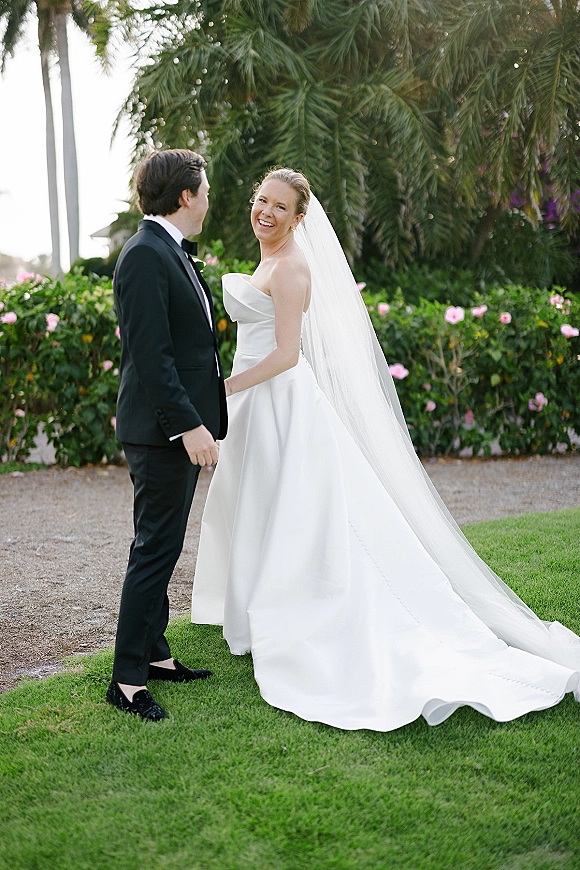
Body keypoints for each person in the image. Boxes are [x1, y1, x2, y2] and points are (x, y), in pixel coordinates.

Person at [191, 167, 580, 732]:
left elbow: (286, 354)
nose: (265, 212)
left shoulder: (294, 265)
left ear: (301, 218)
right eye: (260, 201)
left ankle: (302, 612)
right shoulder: (269, 256)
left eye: (279, 206)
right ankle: (256, 612)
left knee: (299, 512)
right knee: (263, 504)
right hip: (260, 404)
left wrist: (222, 389)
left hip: (279, 402)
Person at [107, 149, 227, 721]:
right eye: (204, 190)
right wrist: (190, 427)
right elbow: (152, 360)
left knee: (164, 543)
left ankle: (154, 655)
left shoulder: (165, 251)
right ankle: (127, 678)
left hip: (168, 430)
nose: (209, 199)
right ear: (185, 196)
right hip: (161, 433)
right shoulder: (145, 256)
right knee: (154, 550)